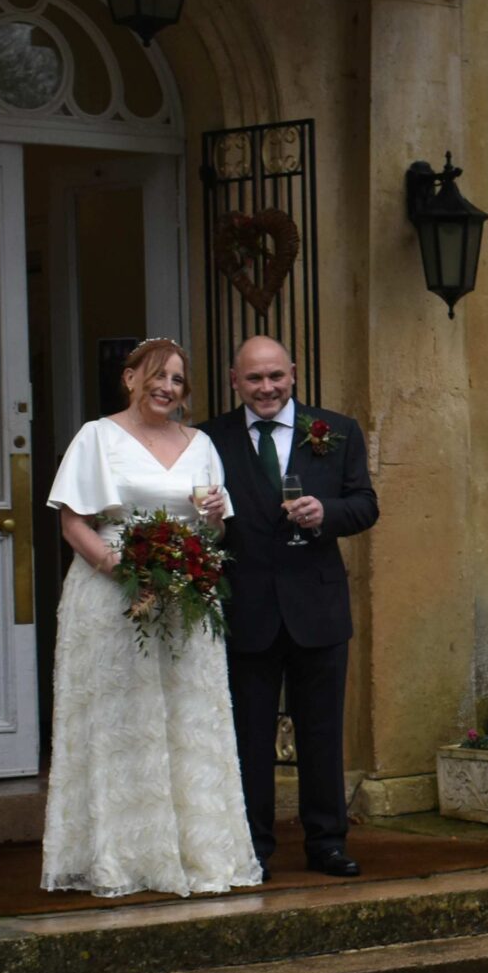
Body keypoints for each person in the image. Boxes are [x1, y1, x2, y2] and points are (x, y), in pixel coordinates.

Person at [40, 338, 264, 897]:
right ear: (130, 377)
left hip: (186, 599)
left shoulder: (202, 443)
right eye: (157, 376)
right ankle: (123, 858)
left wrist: (212, 520)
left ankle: (197, 854)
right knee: (123, 721)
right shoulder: (97, 437)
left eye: (178, 380)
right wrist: (120, 567)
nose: (167, 387)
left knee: (190, 719)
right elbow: (73, 522)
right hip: (112, 596)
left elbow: (213, 531)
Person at [204, 336, 379, 876]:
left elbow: (365, 505)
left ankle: (327, 842)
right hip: (246, 607)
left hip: (317, 607)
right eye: (254, 378)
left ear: (295, 374)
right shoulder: (209, 438)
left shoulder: (338, 430)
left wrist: (324, 511)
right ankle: (253, 846)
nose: (267, 388)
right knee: (249, 736)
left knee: (321, 732)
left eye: (276, 376)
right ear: (235, 381)